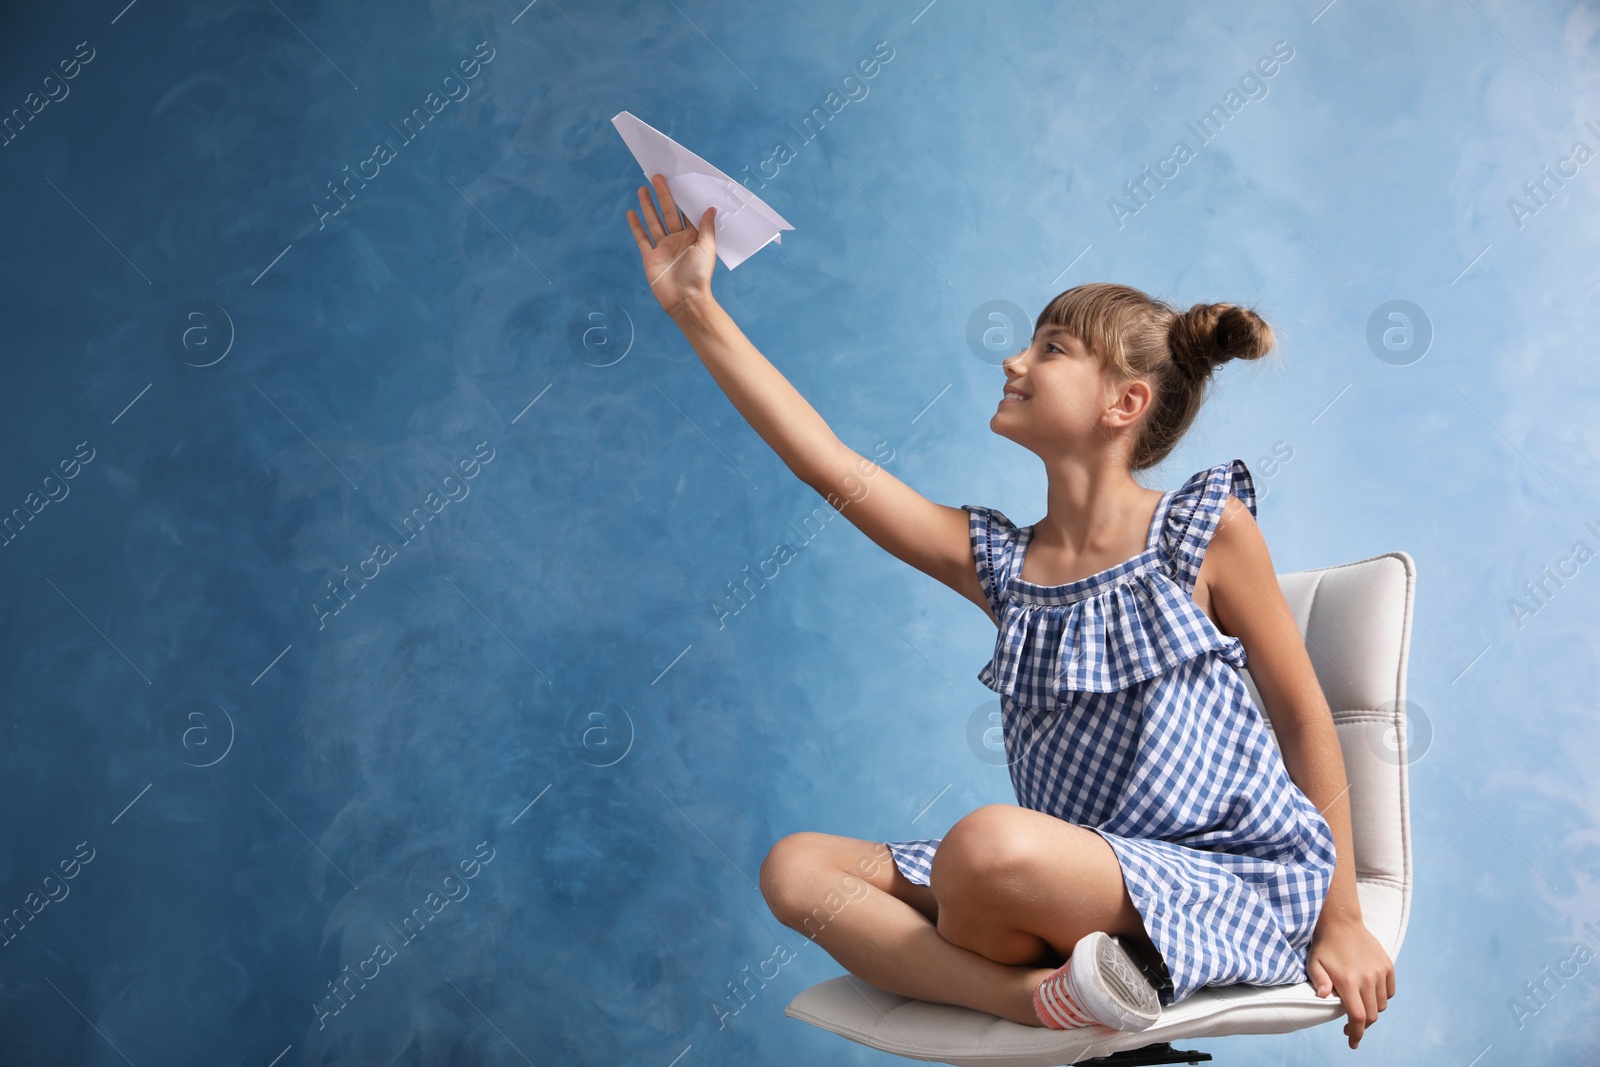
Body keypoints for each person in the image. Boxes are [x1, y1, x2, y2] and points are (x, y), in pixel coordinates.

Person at [625, 173, 1395, 1048]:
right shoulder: (998, 561)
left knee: (986, 850)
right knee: (795, 869)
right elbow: (829, 465)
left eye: (1053, 348)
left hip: (1215, 873)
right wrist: (694, 308)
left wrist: (1343, 918)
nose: (1014, 360)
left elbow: (1303, 717)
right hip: (1068, 873)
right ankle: (1038, 1000)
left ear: (1124, 403)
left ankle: (1052, 963)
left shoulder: (1203, 529)